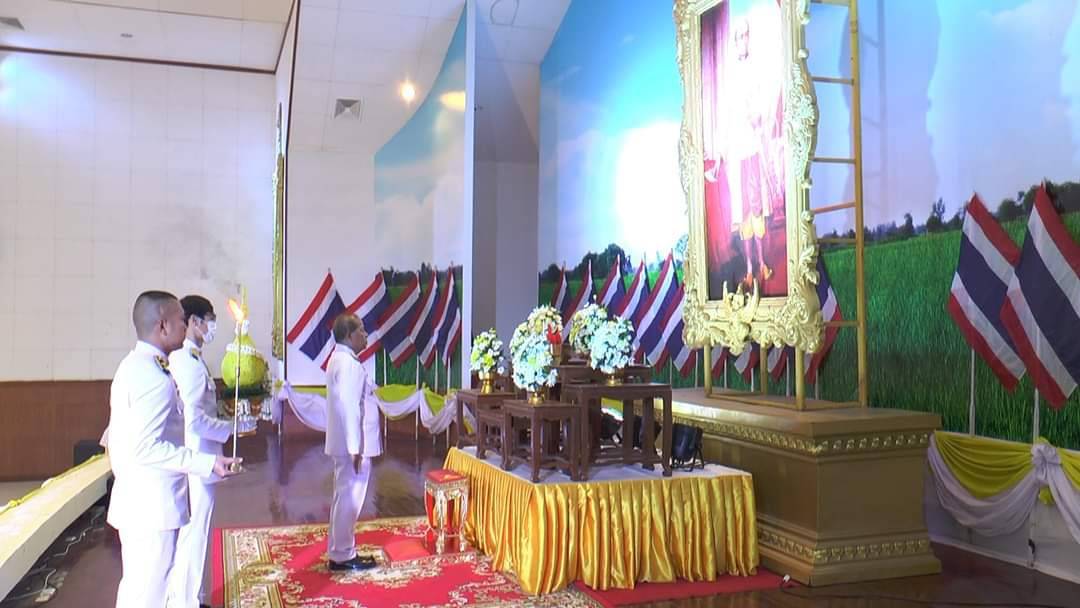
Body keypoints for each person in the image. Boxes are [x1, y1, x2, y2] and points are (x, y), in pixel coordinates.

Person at [105, 291, 240, 608]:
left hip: (144, 501)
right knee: (147, 595)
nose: (184, 326)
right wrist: (207, 463)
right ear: (163, 325)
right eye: (181, 320)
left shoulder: (138, 365)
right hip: (151, 505)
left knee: (143, 589)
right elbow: (146, 448)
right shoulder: (152, 376)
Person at [167, 296, 234, 608]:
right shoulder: (187, 362)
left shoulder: (192, 359)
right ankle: (187, 601)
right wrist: (230, 428)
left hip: (200, 458)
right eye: (209, 319)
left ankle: (190, 597)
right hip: (198, 458)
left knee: (196, 532)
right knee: (195, 534)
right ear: (193, 321)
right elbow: (193, 420)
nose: (212, 326)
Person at [325, 313, 381, 571]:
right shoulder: (347, 364)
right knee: (349, 499)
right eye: (361, 330)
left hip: (347, 443)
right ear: (349, 335)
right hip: (352, 445)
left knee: (344, 496)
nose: (366, 335)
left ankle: (340, 549)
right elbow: (350, 408)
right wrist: (354, 447)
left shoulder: (342, 360)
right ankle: (343, 555)